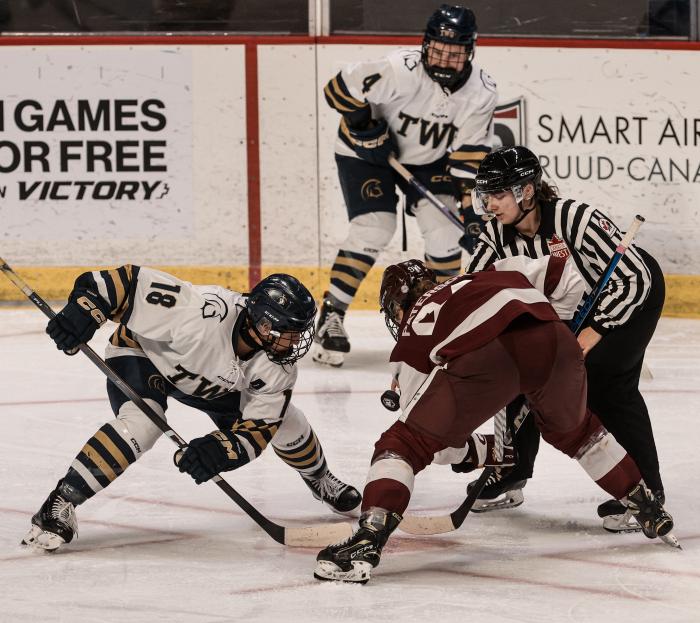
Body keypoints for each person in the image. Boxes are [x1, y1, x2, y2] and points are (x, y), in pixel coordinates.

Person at [313, 258, 676, 583]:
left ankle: (367, 540)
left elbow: (433, 445)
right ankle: (643, 502)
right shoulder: (486, 274)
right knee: (580, 433)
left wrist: (483, 451)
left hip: (487, 357)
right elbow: (563, 275)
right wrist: (556, 328)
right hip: (556, 340)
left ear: (395, 306)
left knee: (402, 444)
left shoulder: (412, 335)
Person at [22, 266, 361, 551]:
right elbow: (124, 281)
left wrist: (219, 450)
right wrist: (84, 310)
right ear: (263, 324)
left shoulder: (277, 367)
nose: (295, 343)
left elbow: (259, 429)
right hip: (144, 358)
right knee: (143, 425)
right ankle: (60, 502)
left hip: (210, 385)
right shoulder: (200, 313)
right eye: (288, 332)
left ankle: (319, 477)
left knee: (286, 420)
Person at [464, 146, 666, 533]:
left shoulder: (574, 219)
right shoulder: (496, 233)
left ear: (526, 192)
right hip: (570, 307)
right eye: (485, 195)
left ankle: (647, 491)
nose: (489, 204)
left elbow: (633, 278)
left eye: (498, 194)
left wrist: (593, 333)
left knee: (607, 386)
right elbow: (471, 289)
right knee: (516, 365)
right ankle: (510, 469)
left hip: (629, 297)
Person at [313, 4, 497, 367]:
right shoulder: (399, 70)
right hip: (365, 154)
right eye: (439, 50)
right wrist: (365, 126)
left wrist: (470, 212)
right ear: (426, 45)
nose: (444, 59)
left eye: (455, 52)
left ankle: (441, 320)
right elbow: (337, 89)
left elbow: (468, 158)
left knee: (445, 233)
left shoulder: (481, 91)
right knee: (374, 227)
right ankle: (331, 316)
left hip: (429, 163)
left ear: (470, 52)